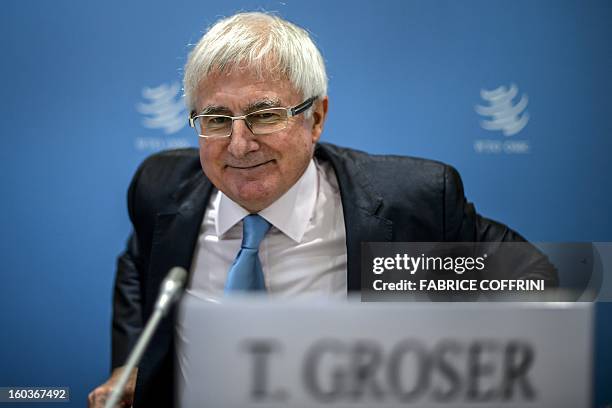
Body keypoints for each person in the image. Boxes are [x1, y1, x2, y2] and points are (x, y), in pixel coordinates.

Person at [88, 11, 557, 408]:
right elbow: (139, 263)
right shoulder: (160, 189)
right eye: (215, 120)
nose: (239, 143)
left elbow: (538, 278)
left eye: (264, 115)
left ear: (316, 118)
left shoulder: (410, 202)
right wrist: (131, 363)